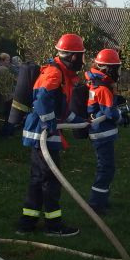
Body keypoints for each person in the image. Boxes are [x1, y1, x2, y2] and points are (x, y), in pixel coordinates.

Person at [17, 33, 86, 237]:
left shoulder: (61, 74)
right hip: (43, 133)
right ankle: (53, 226)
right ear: (73, 56)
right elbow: (41, 101)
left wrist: (81, 121)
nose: (82, 60)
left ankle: (27, 223)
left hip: (44, 133)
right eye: (81, 55)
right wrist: (50, 123)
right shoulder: (55, 73)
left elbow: (61, 108)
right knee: (50, 180)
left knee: (39, 178)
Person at [84, 48, 129, 215]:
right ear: (108, 69)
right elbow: (110, 113)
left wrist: (118, 101)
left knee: (106, 167)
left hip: (100, 132)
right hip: (102, 134)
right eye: (116, 68)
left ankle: (102, 200)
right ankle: (96, 204)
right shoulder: (102, 88)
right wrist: (121, 117)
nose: (118, 71)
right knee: (106, 168)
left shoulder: (98, 84)